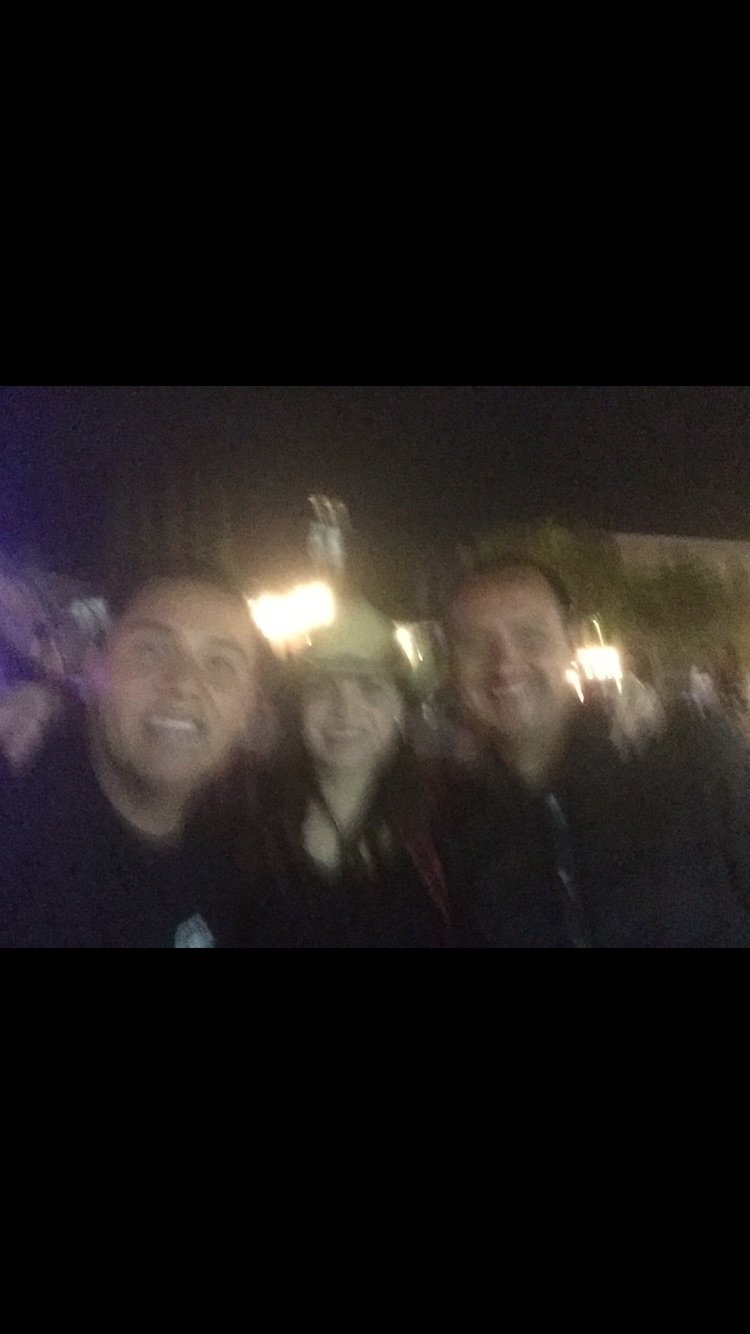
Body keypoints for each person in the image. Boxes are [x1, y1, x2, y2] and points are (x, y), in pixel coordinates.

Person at [438, 556, 750, 947]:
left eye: (531, 637)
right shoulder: (456, 821)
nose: (505, 665)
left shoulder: (686, 754)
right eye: (475, 644)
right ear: (451, 664)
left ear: (572, 643)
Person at [0, 564, 267, 947]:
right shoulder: (19, 821)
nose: (184, 684)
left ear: (247, 709)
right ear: (95, 667)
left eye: (220, 663)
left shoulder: (238, 850)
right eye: (151, 650)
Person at [245, 596, 451, 947]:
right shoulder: (247, 817)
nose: (345, 709)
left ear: (401, 711)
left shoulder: (446, 821)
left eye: (370, 689)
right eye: (323, 687)